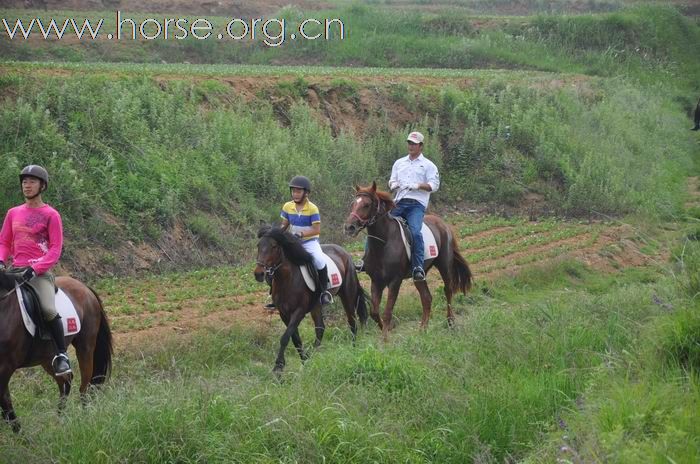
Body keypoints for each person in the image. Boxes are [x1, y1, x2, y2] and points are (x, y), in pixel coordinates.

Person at [0, 165, 71, 377]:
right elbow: (4, 242)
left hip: (39, 274)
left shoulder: (51, 215)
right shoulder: (13, 213)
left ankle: (61, 355)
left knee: (48, 309)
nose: (26, 185)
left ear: (42, 185)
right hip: (15, 270)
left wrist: (36, 268)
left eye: (31, 181)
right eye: (24, 181)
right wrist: (1, 260)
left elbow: (55, 249)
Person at [355, 131, 440, 282]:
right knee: (375, 224)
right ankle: (366, 259)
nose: (411, 146)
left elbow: (434, 185)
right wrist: (394, 184)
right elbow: (392, 181)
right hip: (399, 202)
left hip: (416, 205)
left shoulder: (428, 165)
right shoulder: (399, 163)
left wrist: (418, 185)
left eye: (414, 144)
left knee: (415, 232)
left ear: (421, 146)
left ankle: (418, 266)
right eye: (409, 143)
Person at [265, 176, 333, 308]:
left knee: (319, 260)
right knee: (275, 261)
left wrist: (301, 234)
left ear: (306, 193)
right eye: (293, 191)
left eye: (298, 191)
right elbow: (284, 225)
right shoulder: (287, 206)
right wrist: (275, 235)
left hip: (309, 242)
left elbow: (316, 229)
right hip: (293, 241)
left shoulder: (313, 209)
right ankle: (274, 294)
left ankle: (324, 292)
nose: (295, 194)